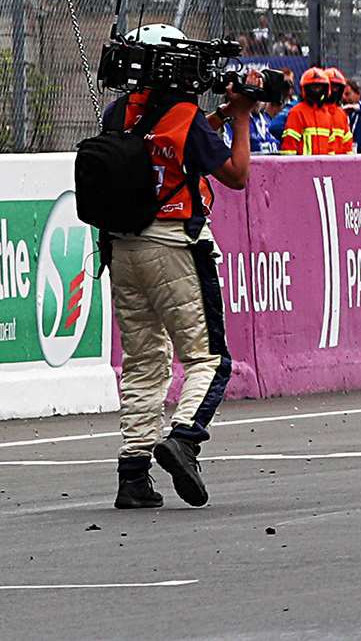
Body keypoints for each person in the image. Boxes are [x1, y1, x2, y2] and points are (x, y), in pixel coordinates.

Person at [98, 26, 255, 510]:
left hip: (122, 248)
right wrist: (242, 120)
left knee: (143, 363)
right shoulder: (187, 117)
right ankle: (184, 438)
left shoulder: (118, 112)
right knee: (209, 358)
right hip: (175, 245)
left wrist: (217, 118)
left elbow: (156, 140)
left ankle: (133, 476)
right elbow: (237, 175)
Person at [279, 66, 354, 156]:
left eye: (319, 87)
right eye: (314, 87)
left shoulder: (328, 114)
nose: (317, 91)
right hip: (303, 167)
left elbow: (331, 148)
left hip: (325, 168)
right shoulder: (297, 112)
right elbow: (289, 145)